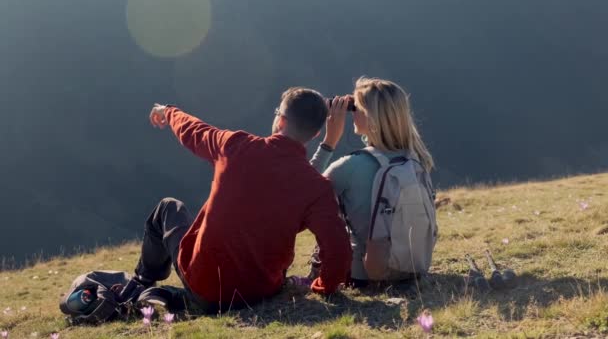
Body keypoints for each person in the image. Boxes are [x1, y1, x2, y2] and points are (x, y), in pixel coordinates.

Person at [134, 87, 352, 314]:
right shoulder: (316, 187)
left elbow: (194, 130)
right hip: (262, 291)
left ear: (281, 122)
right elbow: (338, 248)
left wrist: (168, 111)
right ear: (316, 135)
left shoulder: (235, 146)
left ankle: (142, 281)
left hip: (205, 287)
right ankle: (167, 294)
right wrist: (323, 287)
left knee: (168, 208)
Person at [308, 77, 436, 286]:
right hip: (411, 266)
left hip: (362, 275)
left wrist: (329, 141)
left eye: (356, 108)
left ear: (371, 117)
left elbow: (304, 191)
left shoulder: (349, 167)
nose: (352, 114)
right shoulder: (417, 158)